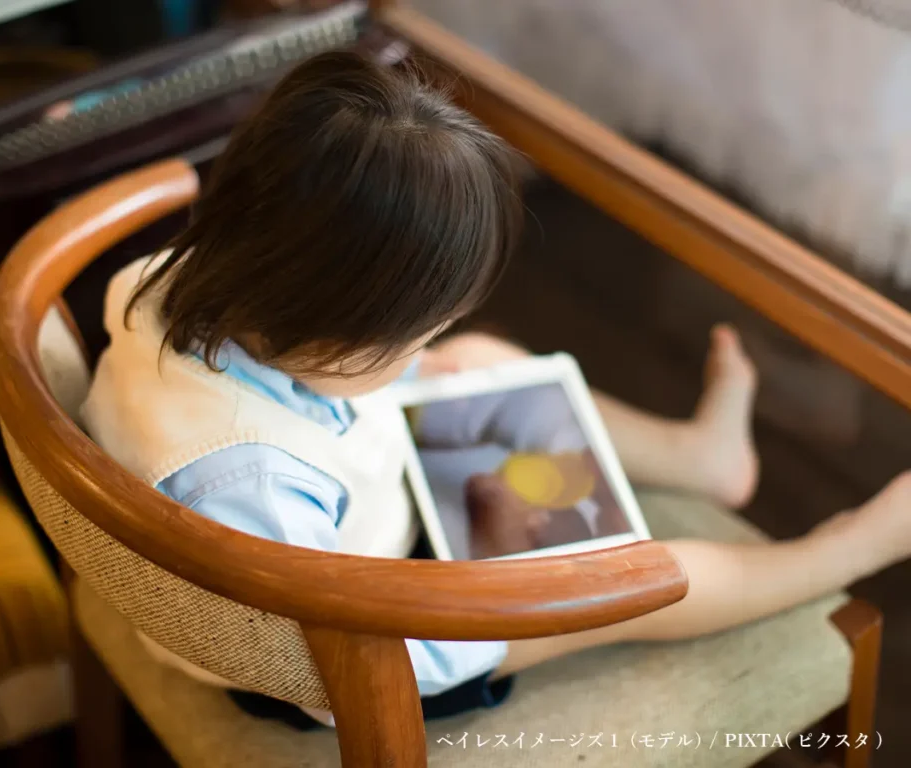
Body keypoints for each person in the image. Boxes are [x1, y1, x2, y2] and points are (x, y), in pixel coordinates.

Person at [81, 50, 911, 728]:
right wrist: (515, 589)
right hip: (363, 662)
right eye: (409, 337)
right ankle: (840, 549)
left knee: (481, 362)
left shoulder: (173, 282)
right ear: (328, 326)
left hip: (332, 538)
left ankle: (698, 460)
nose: (420, 351)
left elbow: (325, 397)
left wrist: (415, 367)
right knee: (630, 578)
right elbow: (337, 652)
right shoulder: (243, 481)